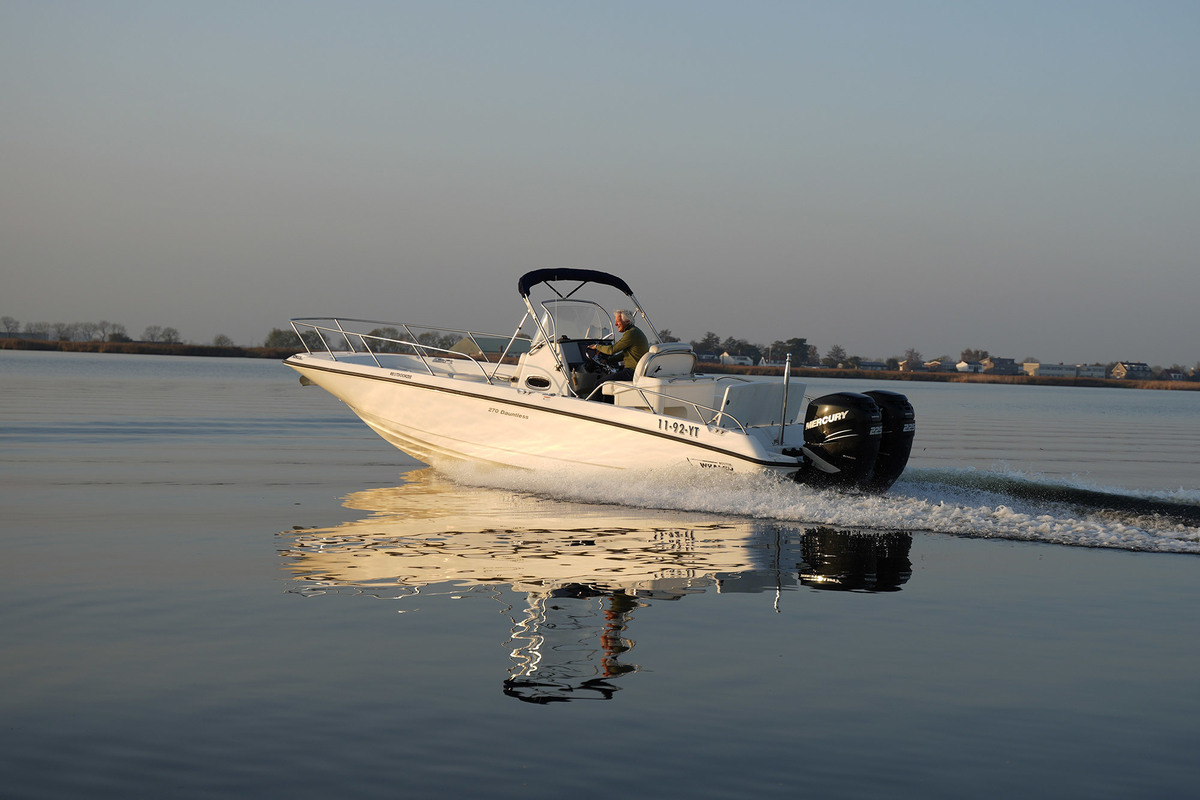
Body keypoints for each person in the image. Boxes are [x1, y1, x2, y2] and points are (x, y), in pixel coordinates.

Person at [588, 310, 649, 400]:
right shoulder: (635, 332)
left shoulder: (630, 334)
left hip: (631, 372)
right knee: (609, 382)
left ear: (627, 321)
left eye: (618, 322)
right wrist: (608, 361)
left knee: (599, 383)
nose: (616, 324)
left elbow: (611, 350)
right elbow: (625, 354)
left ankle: (592, 409)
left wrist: (596, 347)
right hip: (635, 371)